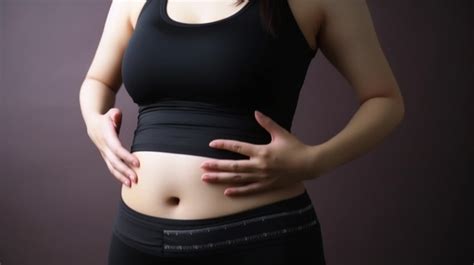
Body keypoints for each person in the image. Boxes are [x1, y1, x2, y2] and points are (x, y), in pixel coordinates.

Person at [79, 0, 404, 264]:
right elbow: (98, 81)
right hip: (137, 237)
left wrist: (313, 162)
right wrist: (96, 122)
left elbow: (385, 100)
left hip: (256, 237)